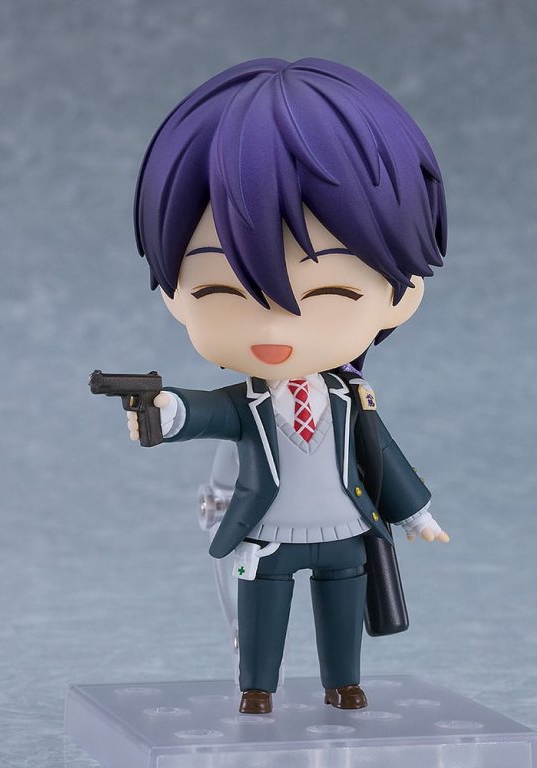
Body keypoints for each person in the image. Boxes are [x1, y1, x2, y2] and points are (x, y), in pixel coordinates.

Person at [126, 58, 450, 715]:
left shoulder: (351, 402)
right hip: (267, 532)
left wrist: (416, 514)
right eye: (221, 291)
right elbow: (199, 412)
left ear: (404, 293)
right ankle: (257, 688)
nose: (275, 327)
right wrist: (160, 410)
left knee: (341, 609)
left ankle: (343, 683)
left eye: (331, 293)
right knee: (263, 610)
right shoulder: (246, 403)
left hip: (344, 530)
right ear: (174, 294)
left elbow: (381, 457)